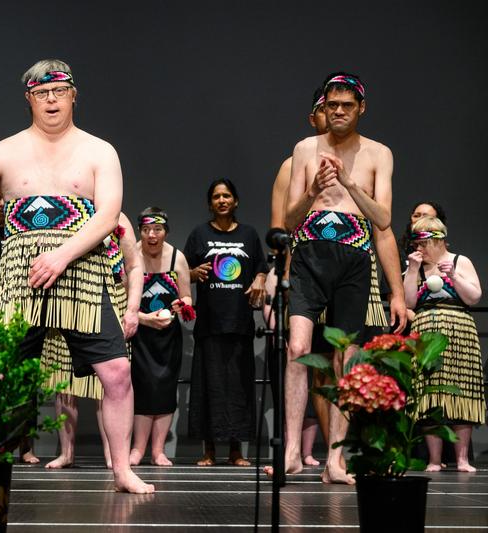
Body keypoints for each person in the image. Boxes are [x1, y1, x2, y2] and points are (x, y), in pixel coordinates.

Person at [0, 59, 154, 493]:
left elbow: (108, 215)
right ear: (29, 97)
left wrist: (62, 255)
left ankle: (122, 469)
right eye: (41, 93)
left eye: (58, 91)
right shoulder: (3, 150)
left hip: (82, 271)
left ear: (73, 95)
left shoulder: (99, 150)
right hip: (20, 275)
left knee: (118, 373)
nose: (51, 100)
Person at [270, 86, 407, 466]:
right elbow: (289, 221)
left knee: (345, 357)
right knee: (297, 349)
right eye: (332, 105)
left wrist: (348, 184)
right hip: (309, 256)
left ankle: (336, 460)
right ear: (323, 109)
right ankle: (293, 453)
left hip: (355, 259)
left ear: (361, 108)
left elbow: (382, 221)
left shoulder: (379, 153)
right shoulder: (304, 149)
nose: (339, 111)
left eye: (347, 105)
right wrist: (314, 189)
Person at [43, 212, 143, 469]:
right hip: (66, 302)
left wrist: (132, 309)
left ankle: (114, 457)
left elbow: (134, 266)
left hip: (109, 301)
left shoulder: (117, 218)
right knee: (64, 384)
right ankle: (67, 453)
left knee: (110, 381)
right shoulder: (64, 210)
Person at [185, 178, 267, 466]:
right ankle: (208, 451)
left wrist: (259, 278)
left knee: (238, 388)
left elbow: (261, 268)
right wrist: (194, 274)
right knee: (210, 386)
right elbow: (183, 274)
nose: (222, 200)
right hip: (209, 322)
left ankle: (236, 451)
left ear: (235, 201)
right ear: (210, 203)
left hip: (240, 322)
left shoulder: (249, 234)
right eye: (217, 196)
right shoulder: (199, 234)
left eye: (227, 195)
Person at [403, 216, 484, 472]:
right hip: (426, 331)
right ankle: (434, 459)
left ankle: (462, 459)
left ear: (437, 240)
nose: (419, 248)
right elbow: (408, 303)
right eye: (416, 243)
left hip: (460, 331)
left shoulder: (461, 262)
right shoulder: (415, 267)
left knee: (463, 390)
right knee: (429, 394)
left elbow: (474, 297)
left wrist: (454, 277)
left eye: (423, 243)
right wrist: (413, 271)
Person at [129, 208, 192, 467]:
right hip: (139, 334)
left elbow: (188, 297)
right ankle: (137, 448)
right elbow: (120, 302)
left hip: (168, 336)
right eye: (146, 230)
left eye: (157, 230)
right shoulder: (130, 257)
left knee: (165, 390)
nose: (151, 235)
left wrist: (182, 305)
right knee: (142, 389)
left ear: (166, 231)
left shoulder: (178, 258)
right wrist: (145, 319)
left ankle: (158, 451)